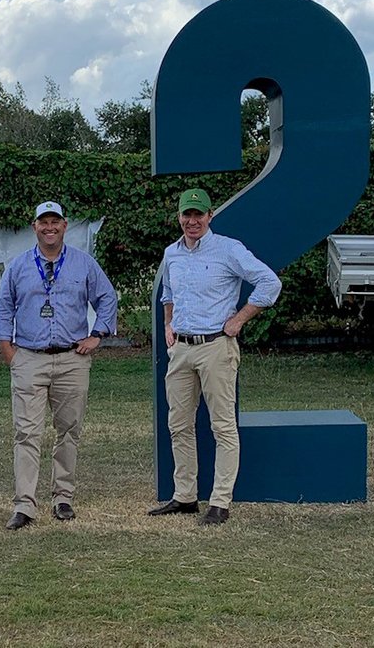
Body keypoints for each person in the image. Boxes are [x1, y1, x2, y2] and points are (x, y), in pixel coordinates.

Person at [147, 188, 281, 526]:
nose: (192, 221)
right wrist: (168, 324)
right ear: (179, 217)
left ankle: (220, 502)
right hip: (181, 350)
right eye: (187, 215)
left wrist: (238, 319)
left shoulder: (228, 249)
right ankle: (185, 496)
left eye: (199, 215)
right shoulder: (171, 253)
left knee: (222, 426)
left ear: (210, 217)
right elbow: (168, 293)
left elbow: (269, 283)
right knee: (178, 425)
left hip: (216, 347)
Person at [0, 201, 118, 529]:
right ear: (34, 226)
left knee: (69, 431)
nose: (49, 227)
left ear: (64, 225)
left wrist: (98, 335)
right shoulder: (19, 266)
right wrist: (8, 350)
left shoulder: (83, 264)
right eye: (43, 222)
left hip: (71, 359)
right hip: (29, 358)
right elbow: (4, 306)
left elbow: (107, 298)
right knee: (26, 433)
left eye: (55, 221)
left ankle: (63, 497)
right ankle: (24, 505)